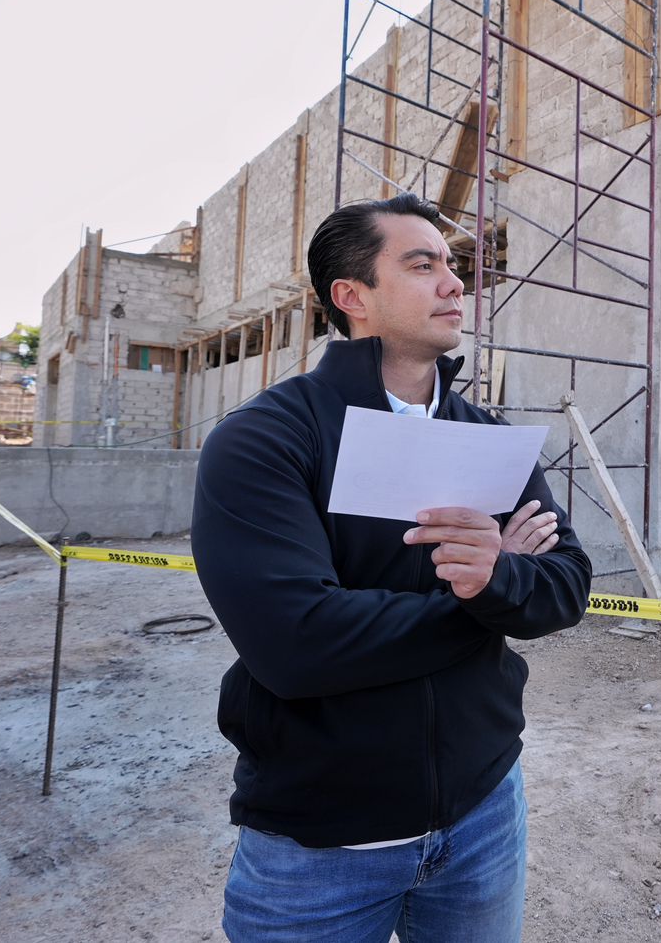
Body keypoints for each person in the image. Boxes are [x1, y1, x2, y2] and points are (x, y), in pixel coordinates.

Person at [193, 192, 590, 943]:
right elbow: (297, 645)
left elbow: (565, 586)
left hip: (483, 817)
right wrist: (486, 596)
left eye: (452, 266)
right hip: (317, 853)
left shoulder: (485, 437)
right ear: (353, 299)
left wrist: (502, 579)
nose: (455, 284)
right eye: (421, 265)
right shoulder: (264, 441)